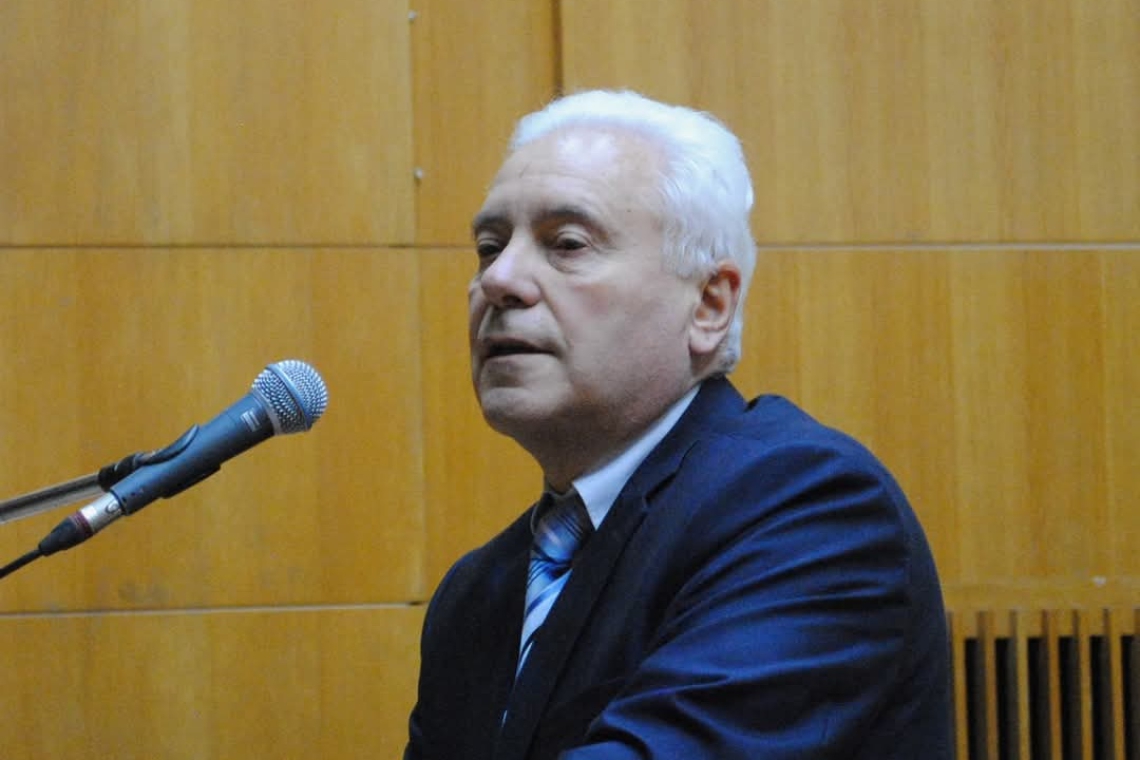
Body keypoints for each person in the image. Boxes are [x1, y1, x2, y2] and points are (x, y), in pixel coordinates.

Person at [404, 89, 951, 760]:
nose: (500, 280)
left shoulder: (810, 511)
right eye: (490, 248)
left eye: (567, 244)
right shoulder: (476, 594)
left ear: (709, 306)